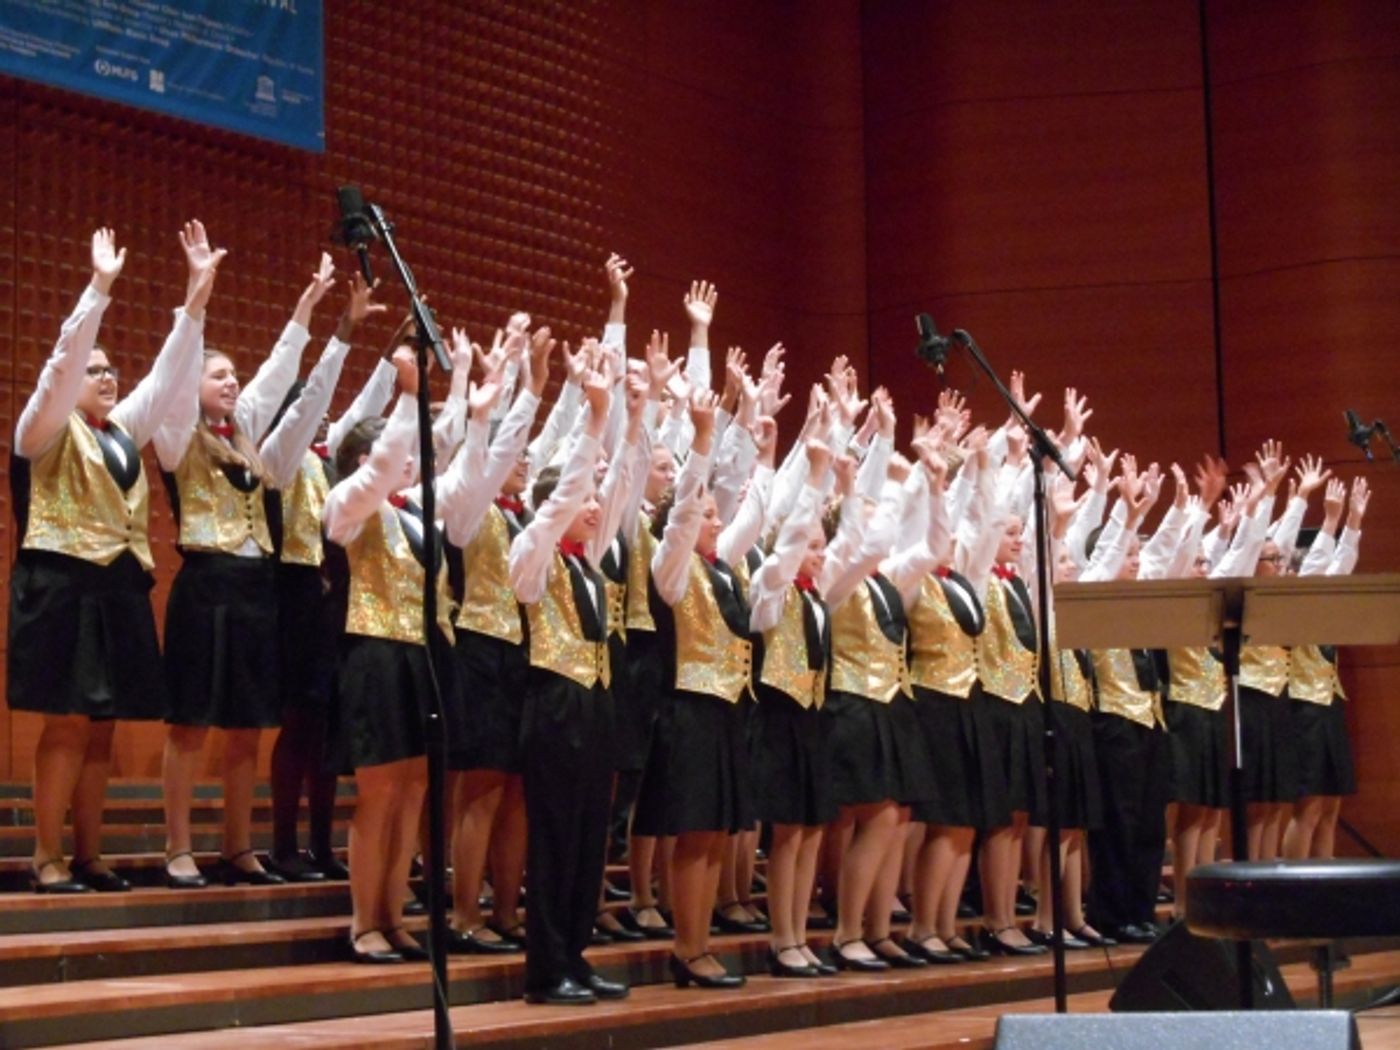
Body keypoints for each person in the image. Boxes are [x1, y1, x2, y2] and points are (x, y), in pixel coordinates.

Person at [9, 225, 219, 892]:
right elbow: (61, 364)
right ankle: (46, 856)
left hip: (118, 589)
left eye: (109, 369)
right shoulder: (42, 428)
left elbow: (168, 374)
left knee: (103, 728)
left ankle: (88, 855)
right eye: (95, 370)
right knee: (68, 724)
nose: (107, 376)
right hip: (62, 587)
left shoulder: (122, 430)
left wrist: (196, 297)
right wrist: (99, 288)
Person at [155, 246, 338, 889]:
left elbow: (278, 372)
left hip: (256, 589)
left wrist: (306, 309)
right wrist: (196, 299)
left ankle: (237, 845)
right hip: (206, 588)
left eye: (234, 375)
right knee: (190, 723)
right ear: (193, 389)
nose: (232, 382)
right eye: (218, 376)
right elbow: (178, 370)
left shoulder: (249, 439)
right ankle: (178, 845)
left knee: (246, 729)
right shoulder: (176, 436)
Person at [508, 366, 640, 1005]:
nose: (593, 506)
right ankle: (546, 968)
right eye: (581, 498)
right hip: (555, 705)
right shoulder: (532, 558)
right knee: (556, 839)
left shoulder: (589, 566)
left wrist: (633, 418)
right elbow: (563, 498)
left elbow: (623, 486)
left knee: (590, 839)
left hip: (596, 703)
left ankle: (576, 955)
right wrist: (593, 421)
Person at [322, 347, 458, 962]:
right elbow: (380, 470)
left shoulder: (418, 518)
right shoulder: (347, 507)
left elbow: (465, 475)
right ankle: (363, 921)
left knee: (412, 794)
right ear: (363, 460)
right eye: (398, 452)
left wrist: (476, 408)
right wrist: (407, 398)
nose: (409, 462)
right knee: (378, 794)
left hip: (419, 660)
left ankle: (395, 913)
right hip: (373, 656)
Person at [262, 268, 385, 882]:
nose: (323, 413)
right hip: (296, 597)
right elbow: (316, 400)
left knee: (330, 727)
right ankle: (283, 845)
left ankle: (320, 846)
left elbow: (365, 413)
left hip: (336, 603)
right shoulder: (280, 461)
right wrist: (340, 330)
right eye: (310, 407)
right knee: (300, 724)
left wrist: (391, 360)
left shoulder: (328, 463)